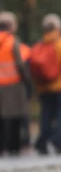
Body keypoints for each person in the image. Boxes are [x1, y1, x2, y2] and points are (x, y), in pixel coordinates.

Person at [29, 14, 61, 156]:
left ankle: (42, 143)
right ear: (58, 28)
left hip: (44, 88)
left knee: (45, 116)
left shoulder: (39, 45)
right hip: (60, 87)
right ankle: (58, 142)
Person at [0, 11, 32, 156]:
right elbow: (20, 63)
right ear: (11, 26)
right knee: (15, 117)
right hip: (13, 84)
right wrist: (27, 80)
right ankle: (14, 146)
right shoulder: (13, 42)